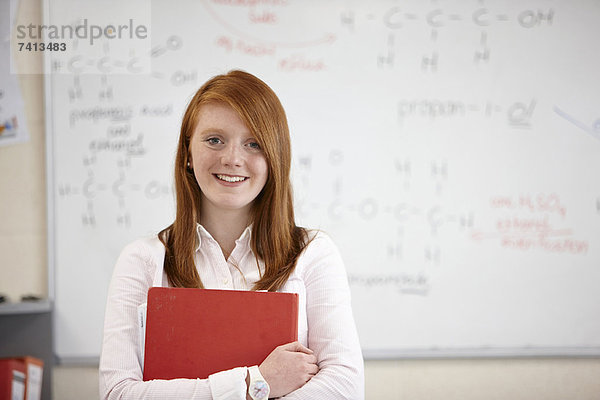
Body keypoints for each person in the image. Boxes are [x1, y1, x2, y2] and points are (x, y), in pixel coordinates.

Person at [99, 70, 364, 399]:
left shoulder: (313, 253)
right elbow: (119, 393)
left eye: (253, 144)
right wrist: (254, 385)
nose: (232, 159)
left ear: (274, 157)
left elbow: (344, 386)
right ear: (188, 155)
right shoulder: (143, 260)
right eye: (214, 140)